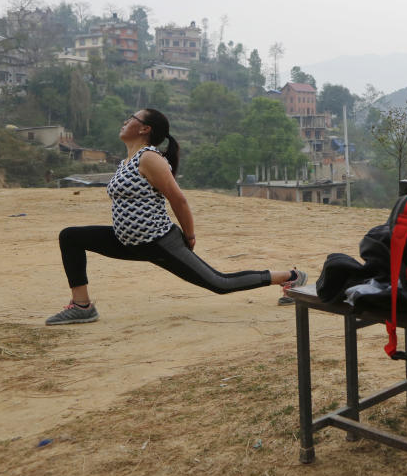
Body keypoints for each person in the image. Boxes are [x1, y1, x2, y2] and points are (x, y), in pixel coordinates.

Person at [46, 108, 307, 325]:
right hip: (126, 241)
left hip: (159, 241)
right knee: (71, 237)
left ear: (144, 128)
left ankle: (290, 276)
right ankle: (82, 306)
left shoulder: (149, 158)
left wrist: (189, 235)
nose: (125, 121)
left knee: (219, 283)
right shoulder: (126, 162)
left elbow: (178, 199)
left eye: (132, 118)